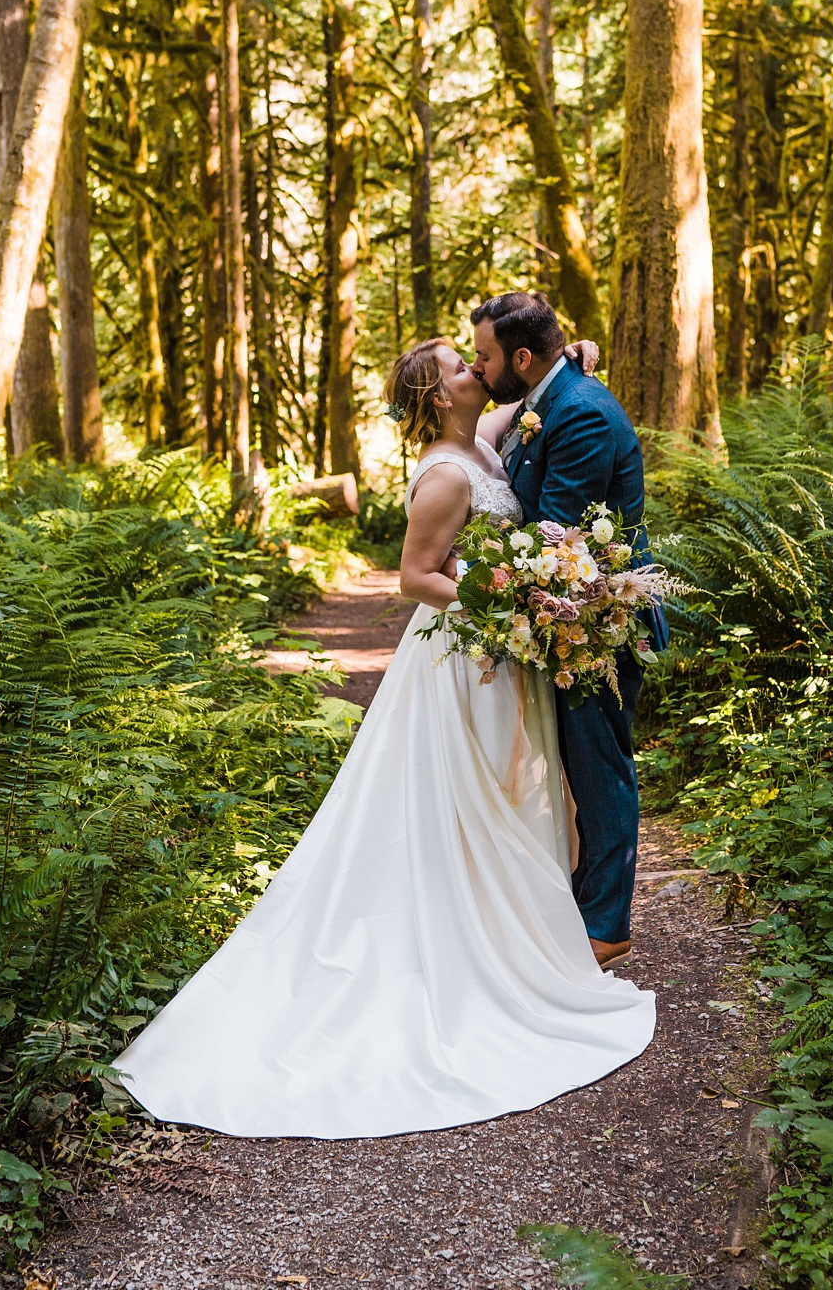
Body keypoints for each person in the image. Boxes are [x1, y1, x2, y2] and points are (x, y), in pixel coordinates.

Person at [114, 335, 655, 1140]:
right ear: (439, 396)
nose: (477, 372)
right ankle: (469, 950)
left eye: (477, 363)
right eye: (459, 368)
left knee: (509, 800)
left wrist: (567, 356)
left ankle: (515, 933)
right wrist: (508, 601)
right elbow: (415, 577)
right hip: (464, 661)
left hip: (500, 658)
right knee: (470, 804)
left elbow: (525, 394)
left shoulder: (483, 438)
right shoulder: (444, 475)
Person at [471, 292, 668, 973]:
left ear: (521, 358)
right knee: (576, 765)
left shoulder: (578, 413)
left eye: (487, 356)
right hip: (565, 619)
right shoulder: (548, 397)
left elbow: (552, 541)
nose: (479, 365)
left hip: (593, 623)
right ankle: (581, 904)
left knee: (599, 767)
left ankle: (607, 925)